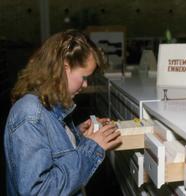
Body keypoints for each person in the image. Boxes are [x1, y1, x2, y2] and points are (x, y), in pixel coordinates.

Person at [4, 29, 122, 195]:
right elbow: (39, 191)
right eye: (84, 77)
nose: (85, 85)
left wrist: (78, 136)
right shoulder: (29, 114)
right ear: (64, 68)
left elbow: (53, 153)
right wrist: (91, 147)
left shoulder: (46, 105)